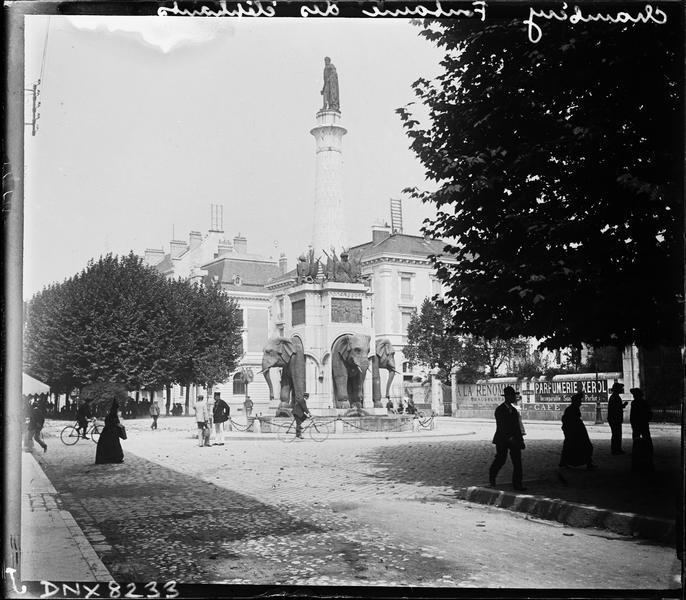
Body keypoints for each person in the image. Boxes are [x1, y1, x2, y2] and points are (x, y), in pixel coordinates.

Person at [489, 386, 527, 491]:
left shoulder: (514, 411)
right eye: (512, 396)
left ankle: (517, 484)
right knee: (501, 459)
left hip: (514, 440)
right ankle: (492, 477)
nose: (514, 398)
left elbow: (517, 427)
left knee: (517, 462)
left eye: (514, 396)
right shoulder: (500, 410)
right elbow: (501, 426)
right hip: (502, 440)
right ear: (507, 397)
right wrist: (509, 438)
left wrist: (520, 440)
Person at [560, 392, 597, 470]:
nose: (580, 403)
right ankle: (588, 462)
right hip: (575, 432)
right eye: (579, 401)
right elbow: (569, 421)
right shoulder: (572, 409)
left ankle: (564, 462)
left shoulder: (571, 409)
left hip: (575, 431)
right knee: (584, 446)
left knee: (571, 447)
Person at [629, 387, 653, 473]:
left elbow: (632, 415)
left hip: (637, 423)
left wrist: (632, 423)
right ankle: (649, 450)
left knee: (636, 438)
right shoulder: (644, 402)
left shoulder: (634, 403)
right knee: (647, 436)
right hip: (643, 423)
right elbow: (649, 413)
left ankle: (636, 451)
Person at [607, 382, 628, 454]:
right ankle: (616, 450)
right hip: (615, 419)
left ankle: (616, 449)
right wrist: (623, 405)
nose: (621, 389)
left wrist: (622, 405)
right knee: (617, 434)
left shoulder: (613, 397)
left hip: (613, 418)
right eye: (620, 388)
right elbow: (616, 408)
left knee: (616, 434)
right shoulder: (615, 397)